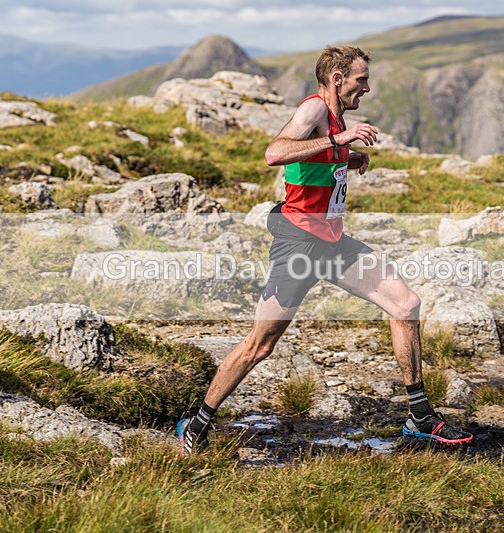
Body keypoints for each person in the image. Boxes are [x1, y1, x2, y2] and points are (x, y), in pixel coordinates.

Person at [177, 45, 473, 455]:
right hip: (298, 244)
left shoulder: (334, 120)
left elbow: (317, 158)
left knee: (405, 305)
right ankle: (197, 422)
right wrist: (342, 138)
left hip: (332, 243)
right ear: (337, 79)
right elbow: (275, 153)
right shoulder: (315, 110)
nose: (366, 87)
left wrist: (350, 157)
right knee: (260, 346)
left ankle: (419, 415)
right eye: (361, 79)